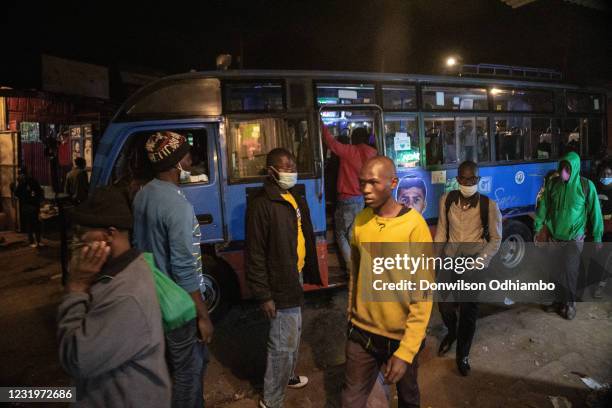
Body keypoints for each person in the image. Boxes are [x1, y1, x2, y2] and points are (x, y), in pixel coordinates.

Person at [57, 186, 171, 407]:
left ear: (109, 235)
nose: (76, 241)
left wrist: (76, 287)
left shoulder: (127, 295)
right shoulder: (116, 272)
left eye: (82, 233)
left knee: (13, 394)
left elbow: (76, 358)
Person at [343, 156, 433, 408]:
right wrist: (350, 314)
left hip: (400, 337)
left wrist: (406, 352)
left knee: (408, 398)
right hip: (361, 333)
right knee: (351, 400)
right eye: (362, 183)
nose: (365, 190)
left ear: (393, 183)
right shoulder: (361, 221)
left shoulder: (415, 226)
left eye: (373, 183)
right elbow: (357, 273)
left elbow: (423, 293)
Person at [133, 131, 213, 408]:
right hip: (178, 308)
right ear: (176, 163)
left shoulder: (143, 195)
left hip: (153, 299)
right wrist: (203, 315)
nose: (191, 159)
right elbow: (184, 268)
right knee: (188, 374)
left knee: (169, 372)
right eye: (186, 155)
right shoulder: (177, 205)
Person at [246, 148, 322, 408]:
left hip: (293, 276)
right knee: (282, 343)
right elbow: (255, 254)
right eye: (286, 167)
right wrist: (264, 295)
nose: (291, 171)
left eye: (293, 165)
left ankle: (286, 377)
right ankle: (272, 399)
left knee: (293, 335)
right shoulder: (261, 204)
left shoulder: (291, 195)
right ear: (271, 171)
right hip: (279, 284)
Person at [434, 161, 502, 376]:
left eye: (472, 179)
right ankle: (451, 332)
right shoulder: (446, 201)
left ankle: (462, 354)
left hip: (473, 263)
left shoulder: (488, 206)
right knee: (444, 304)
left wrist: (480, 261)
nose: (467, 183)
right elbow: (442, 232)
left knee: (468, 311)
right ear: (457, 180)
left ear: (478, 180)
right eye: (463, 179)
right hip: (450, 258)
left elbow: (496, 239)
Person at [534, 151, 603, 320]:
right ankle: (557, 302)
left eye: (568, 168)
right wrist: (538, 227)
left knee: (570, 272)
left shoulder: (586, 186)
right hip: (555, 237)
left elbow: (596, 213)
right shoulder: (552, 184)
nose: (564, 171)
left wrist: (597, 236)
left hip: (574, 238)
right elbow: (543, 207)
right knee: (555, 271)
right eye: (562, 167)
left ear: (575, 168)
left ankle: (570, 305)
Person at [322, 125, 377, 272]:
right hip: (361, 199)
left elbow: (331, 143)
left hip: (346, 199)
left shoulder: (350, 152)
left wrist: (320, 122)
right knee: (355, 233)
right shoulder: (374, 154)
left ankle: (352, 269)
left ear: (354, 139)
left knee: (341, 234)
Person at [591, 160, 612, 298]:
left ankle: (601, 285)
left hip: (609, 230)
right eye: (603, 173)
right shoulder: (594, 189)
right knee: (596, 257)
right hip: (596, 229)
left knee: (605, 257)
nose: (606, 176)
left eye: (609, 174)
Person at [13, 167, 44, 247]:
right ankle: (36, 241)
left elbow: (17, 193)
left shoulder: (24, 182)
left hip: (28, 205)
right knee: (34, 223)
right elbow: (39, 191)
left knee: (31, 223)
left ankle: (34, 241)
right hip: (32, 204)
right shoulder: (28, 181)